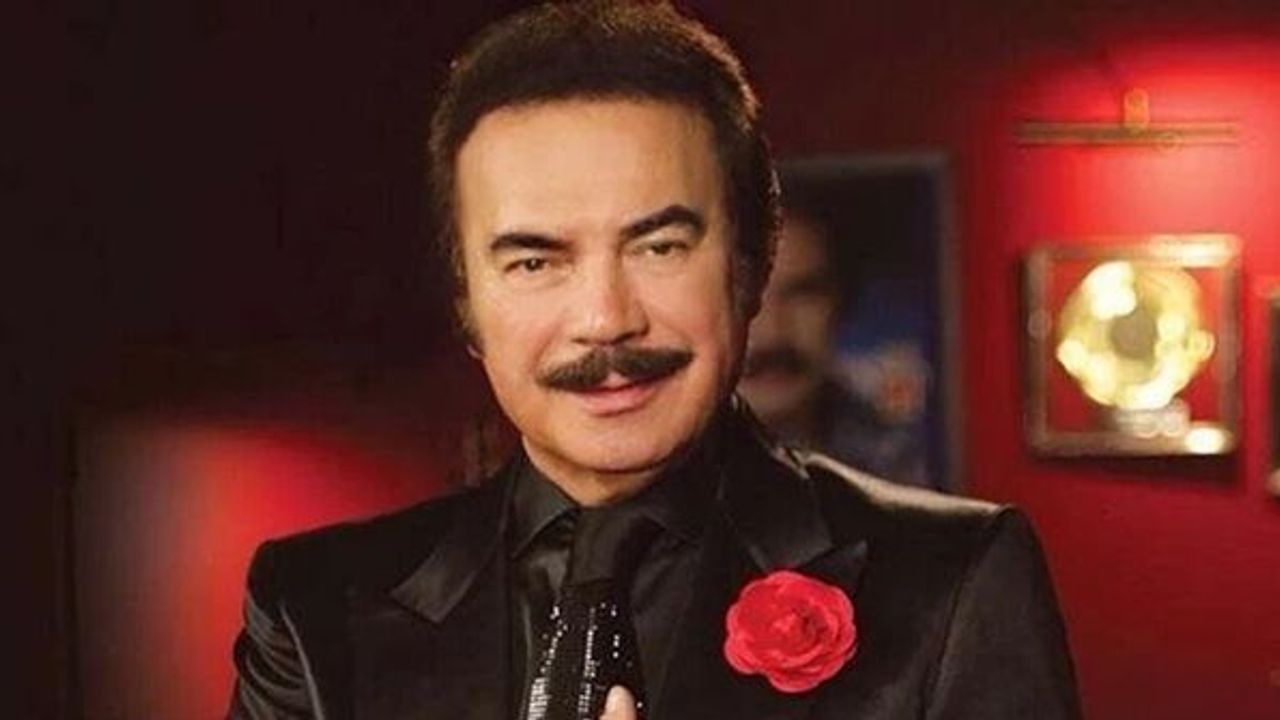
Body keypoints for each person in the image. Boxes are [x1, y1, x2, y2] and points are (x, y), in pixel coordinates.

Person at [229, 3, 1080, 719]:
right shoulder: (312, 607)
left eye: (660, 246)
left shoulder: (953, 582)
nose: (606, 320)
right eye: (535, 261)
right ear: (465, 302)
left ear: (750, 267)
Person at [738, 204, 931, 487]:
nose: (773, 334)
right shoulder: (668, 475)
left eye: (803, 294)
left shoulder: (897, 464)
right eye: (745, 293)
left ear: (841, 304)